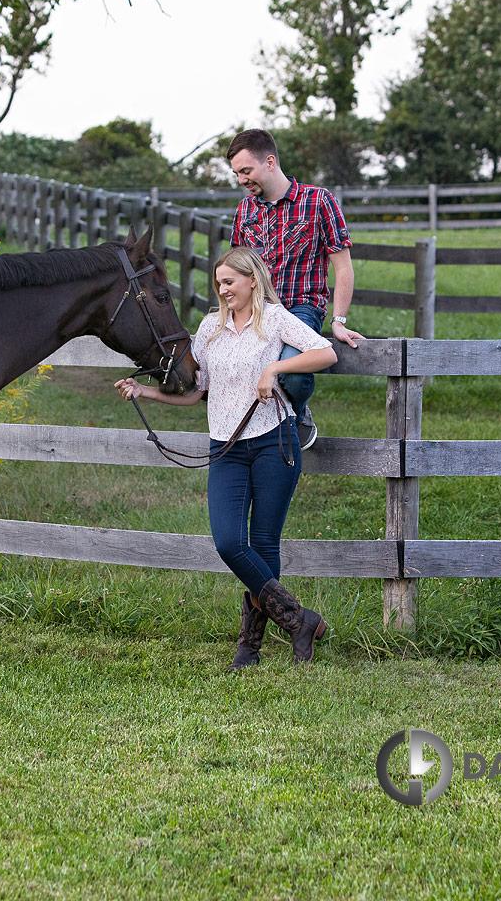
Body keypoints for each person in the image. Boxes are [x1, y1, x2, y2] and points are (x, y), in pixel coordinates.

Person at [115, 247, 338, 670]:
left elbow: (325, 353)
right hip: (227, 447)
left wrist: (272, 371)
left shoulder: (273, 318)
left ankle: (248, 650)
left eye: (229, 282)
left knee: (264, 543)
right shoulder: (209, 328)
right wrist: (145, 392)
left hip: (275, 439)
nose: (222, 289)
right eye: (219, 283)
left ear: (252, 279)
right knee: (230, 542)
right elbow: (197, 391)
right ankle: (299, 620)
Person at [228, 129, 363, 450]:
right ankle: (258, 435)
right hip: (258, 311)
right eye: (236, 174)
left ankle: (297, 413)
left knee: (294, 374)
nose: (241, 180)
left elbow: (342, 266)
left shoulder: (319, 201)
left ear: (270, 162)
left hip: (301, 309)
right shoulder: (245, 211)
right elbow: (234, 271)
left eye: (246, 171)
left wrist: (339, 321)